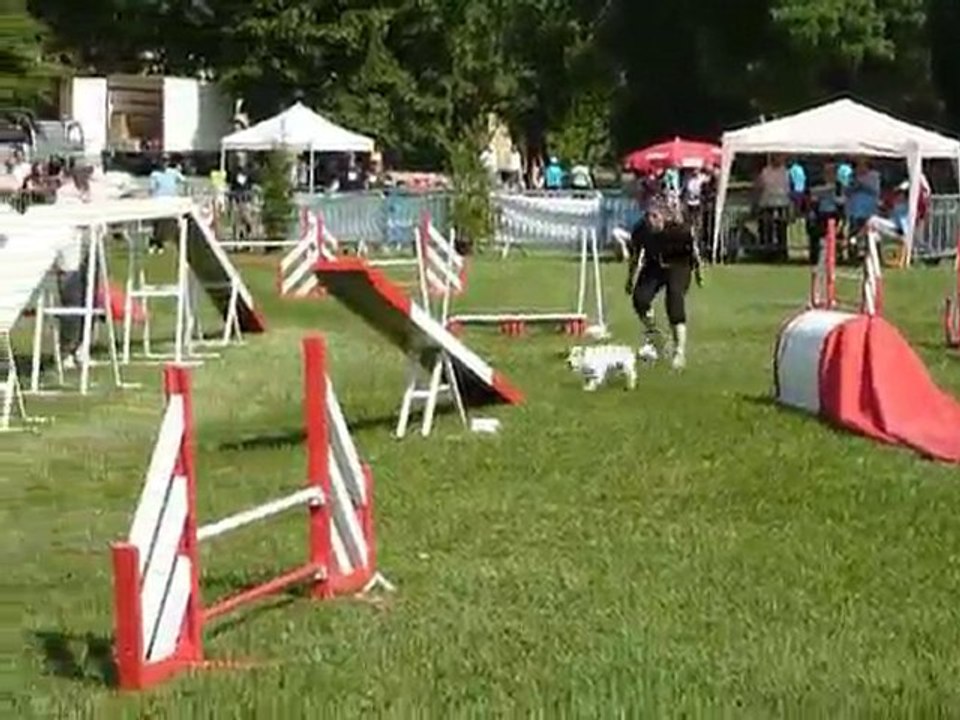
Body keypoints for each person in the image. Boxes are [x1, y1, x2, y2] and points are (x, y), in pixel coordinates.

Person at [625, 200, 704, 370]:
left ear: (664, 217)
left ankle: (679, 351)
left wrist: (699, 274)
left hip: (679, 265)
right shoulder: (641, 230)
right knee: (640, 298)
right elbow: (635, 256)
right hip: (654, 265)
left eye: (655, 216)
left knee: (674, 299)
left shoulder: (679, 231)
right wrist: (630, 279)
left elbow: (694, 253)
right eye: (648, 216)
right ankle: (655, 333)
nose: (650, 220)